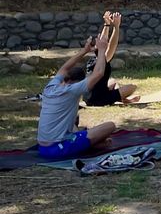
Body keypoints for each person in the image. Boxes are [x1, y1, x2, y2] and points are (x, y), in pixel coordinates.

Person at [36, 30, 117, 159]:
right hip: (57, 148)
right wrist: (101, 50)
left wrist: (85, 50)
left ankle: (91, 143)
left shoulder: (50, 87)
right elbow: (99, 73)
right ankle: (92, 144)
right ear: (76, 82)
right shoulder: (72, 91)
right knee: (110, 126)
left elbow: (64, 69)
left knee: (77, 127)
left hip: (42, 147)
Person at [83, 11, 139, 106]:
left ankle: (121, 98)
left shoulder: (92, 60)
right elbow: (112, 45)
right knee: (132, 87)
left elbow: (103, 41)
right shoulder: (102, 61)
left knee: (112, 81)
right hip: (98, 100)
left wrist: (107, 24)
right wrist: (116, 27)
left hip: (88, 98)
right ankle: (123, 99)